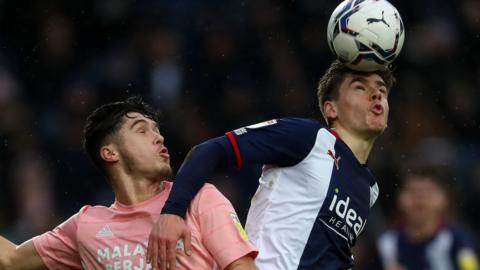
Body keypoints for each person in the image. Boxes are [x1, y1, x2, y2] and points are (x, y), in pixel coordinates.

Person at [147, 59, 395, 270]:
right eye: (360, 87)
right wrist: (173, 211)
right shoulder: (309, 136)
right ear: (331, 109)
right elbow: (211, 151)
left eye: (382, 90)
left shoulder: (369, 188)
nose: (377, 95)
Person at [0, 97, 258, 270]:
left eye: (157, 130)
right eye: (142, 130)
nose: (158, 138)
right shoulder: (87, 227)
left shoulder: (200, 199)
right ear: (110, 152)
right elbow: (10, 259)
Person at [377, 166, 479, 270]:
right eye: (413, 191)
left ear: (443, 199)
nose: (420, 198)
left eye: (428, 192)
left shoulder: (458, 239)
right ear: (400, 199)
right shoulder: (387, 243)